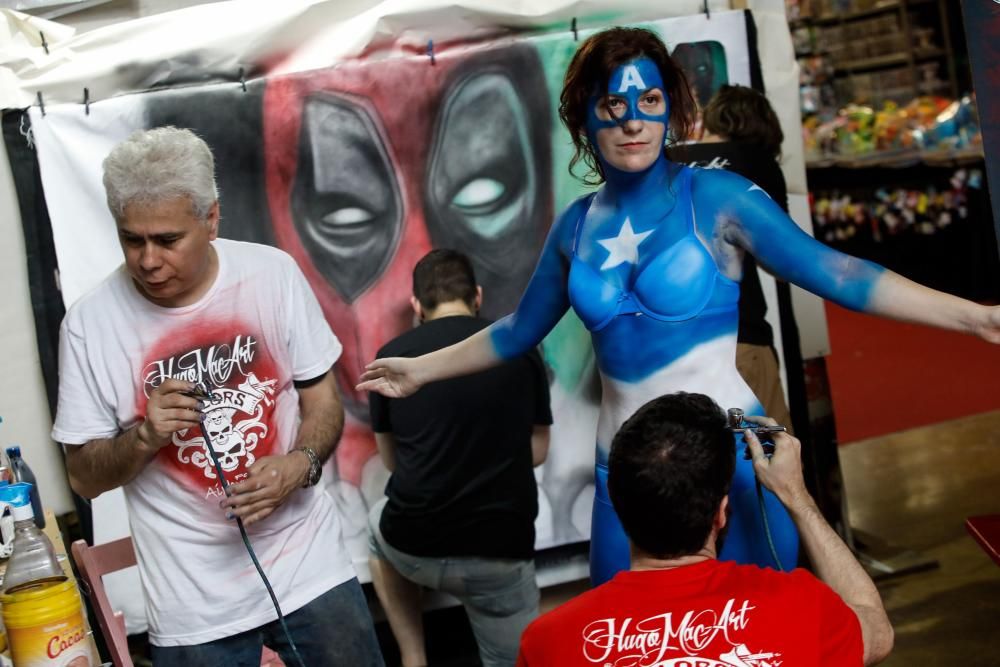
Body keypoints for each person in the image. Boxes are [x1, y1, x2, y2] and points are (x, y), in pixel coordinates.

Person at [358, 27, 1000, 586]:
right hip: (626, 476)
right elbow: (516, 331)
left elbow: (840, 273)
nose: (633, 119)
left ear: (671, 111)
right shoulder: (575, 227)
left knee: (759, 635)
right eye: (614, 104)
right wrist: (422, 369)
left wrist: (976, 317)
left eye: (650, 100)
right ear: (586, 118)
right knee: (633, 636)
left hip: (737, 460)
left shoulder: (719, 198)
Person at [52, 127, 384, 666]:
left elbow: (322, 399)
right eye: (131, 240)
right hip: (192, 603)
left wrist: (299, 464)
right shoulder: (89, 326)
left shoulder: (271, 274)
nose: (148, 261)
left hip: (309, 567)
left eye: (166, 239)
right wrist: (144, 437)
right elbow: (84, 477)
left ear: (211, 219)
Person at [516, 392, 894, 666]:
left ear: (616, 503)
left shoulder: (547, 644)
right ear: (721, 513)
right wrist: (796, 496)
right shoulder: (802, 606)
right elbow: (877, 630)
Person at [367, 249, 552, 667]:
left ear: (417, 305)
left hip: (414, 544)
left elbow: (394, 463)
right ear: (478, 297)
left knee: (376, 523)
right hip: (499, 554)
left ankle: (413, 656)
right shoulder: (520, 350)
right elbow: (538, 452)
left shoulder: (391, 359)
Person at [667, 83, 792, 428]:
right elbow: (781, 263)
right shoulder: (757, 162)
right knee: (768, 460)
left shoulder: (670, 162)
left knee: (702, 466)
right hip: (740, 341)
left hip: (669, 352)